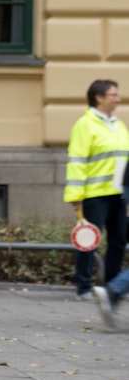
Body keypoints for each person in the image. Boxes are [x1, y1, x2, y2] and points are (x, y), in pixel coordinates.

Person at [63, 79, 129, 303]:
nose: (118, 99)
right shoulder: (85, 124)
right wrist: (75, 196)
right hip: (95, 194)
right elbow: (77, 161)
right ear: (99, 98)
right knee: (89, 240)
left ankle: (112, 287)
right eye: (113, 95)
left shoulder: (118, 124)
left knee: (119, 240)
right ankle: (83, 286)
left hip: (118, 193)